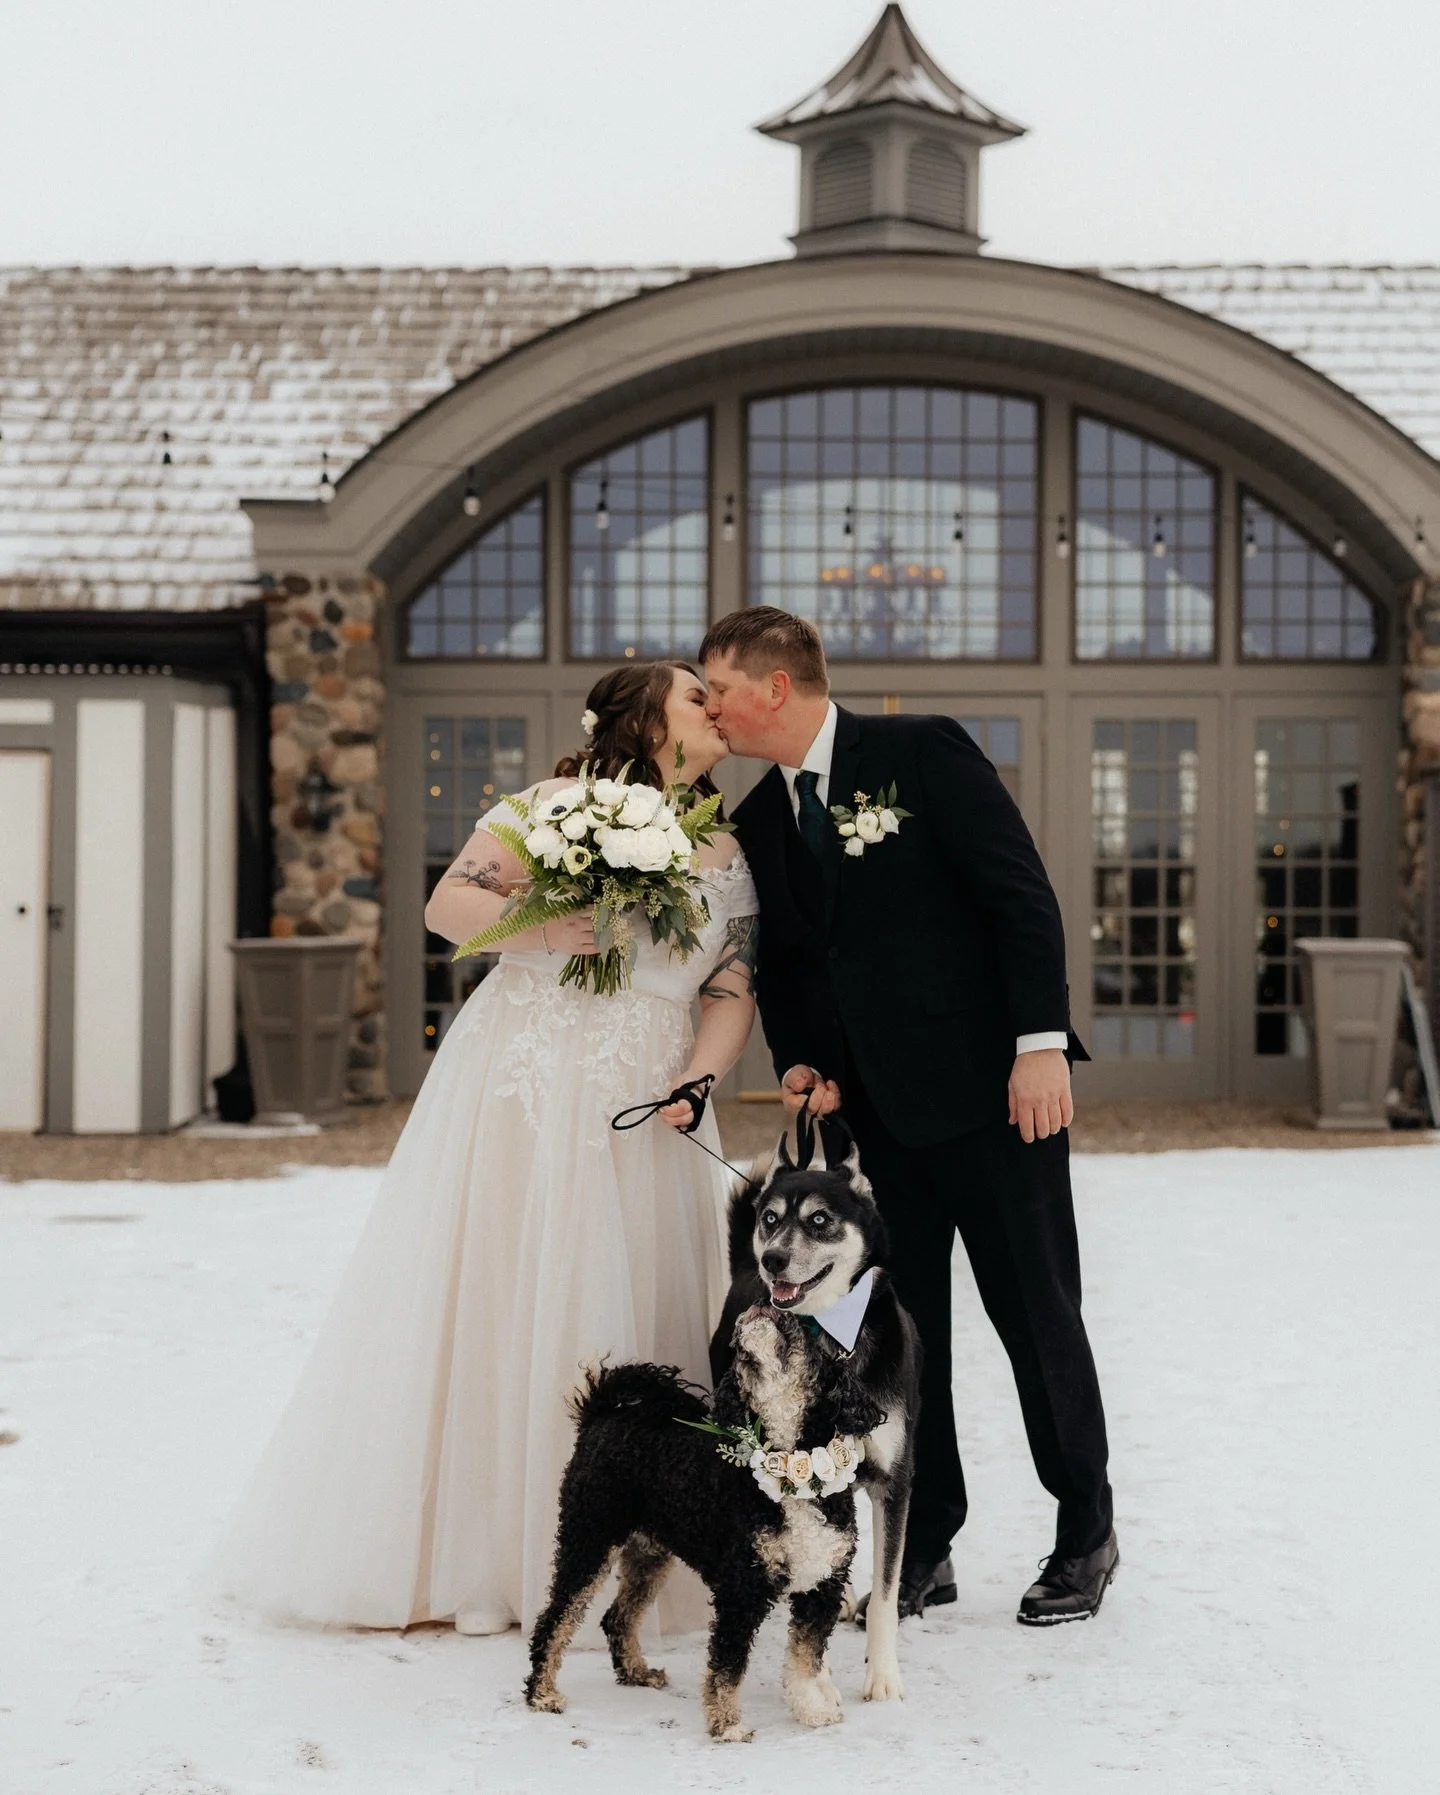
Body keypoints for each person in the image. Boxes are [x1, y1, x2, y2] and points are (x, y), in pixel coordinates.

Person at [208, 660, 758, 1637]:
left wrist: (701, 1076)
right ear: (642, 719)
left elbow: (729, 983)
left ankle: (641, 1552)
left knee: (639, 1302)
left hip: (652, 1094)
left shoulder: (728, 843)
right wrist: (548, 925)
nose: (714, 707)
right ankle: (491, 1548)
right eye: (693, 695)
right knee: (513, 1287)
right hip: (533, 1083)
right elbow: (449, 908)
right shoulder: (552, 804)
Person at [699, 607, 1118, 1626]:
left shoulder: (919, 753)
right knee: (901, 1339)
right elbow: (802, 962)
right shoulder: (758, 819)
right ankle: (927, 1540)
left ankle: (1085, 1533)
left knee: (1037, 1317)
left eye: (717, 684)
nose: (709, 704)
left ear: (775, 687)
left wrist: (1039, 1045)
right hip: (877, 1129)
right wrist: (805, 1060)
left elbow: (1020, 897)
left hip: (998, 1102)